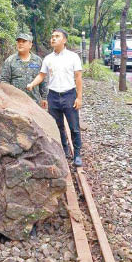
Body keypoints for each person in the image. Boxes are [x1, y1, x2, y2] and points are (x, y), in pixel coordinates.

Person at [27, 28, 83, 167]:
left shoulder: (73, 57)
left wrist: (79, 97)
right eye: (52, 36)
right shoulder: (48, 58)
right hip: (53, 96)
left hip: (69, 95)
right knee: (57, 126)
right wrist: (32, 84)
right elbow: (42, 75)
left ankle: (77, 154)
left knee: (74, 126)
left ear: (64, 40)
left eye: (57, 36)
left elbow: (78, 77)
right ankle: (64, 150)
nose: (53, 38)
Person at [0, 33, 48, 108]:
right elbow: (4, 81)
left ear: (30, 45)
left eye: (23, 41)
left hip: (34, 103)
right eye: (18, 41)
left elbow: (43, 80)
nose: (20, 43)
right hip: (16, 103)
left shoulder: (38, 61)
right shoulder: (10, 61)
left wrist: (44, 97)